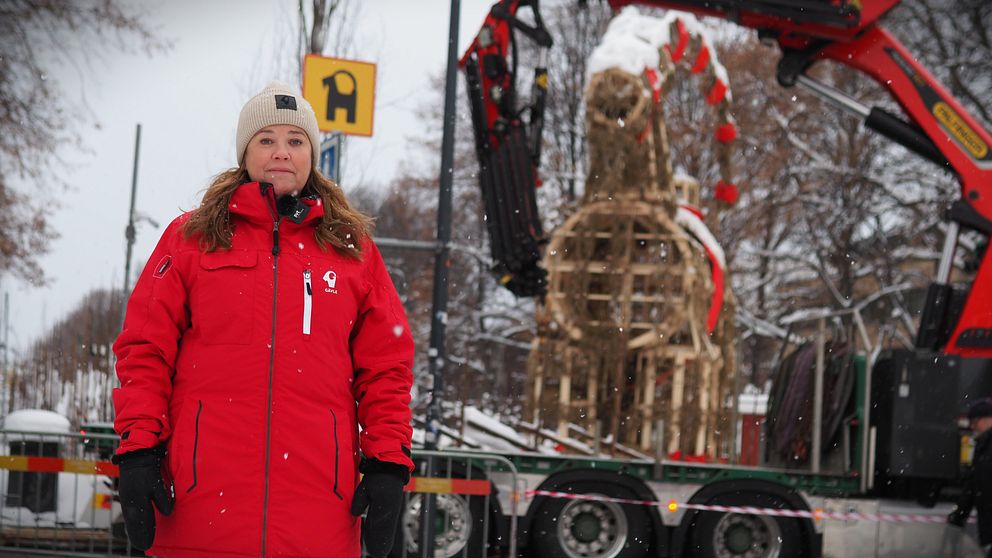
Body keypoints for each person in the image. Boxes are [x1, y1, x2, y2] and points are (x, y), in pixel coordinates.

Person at [111, 81, 415, 558]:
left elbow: (387, 369)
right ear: (245, 152)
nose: (282, 153)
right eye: (266, 139)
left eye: (296, 141)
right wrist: (138, 449)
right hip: (201, 508)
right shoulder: (191, 238)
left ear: (311, 154)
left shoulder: (351, 249)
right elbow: (144, 349)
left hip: (318, 515)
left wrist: (387, 464)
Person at [948, 397, 992, 557]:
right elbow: (974, 485)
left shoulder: (985, 447)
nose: (973, 426)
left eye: (975, 421)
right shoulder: (982, 447)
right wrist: (960, 514)